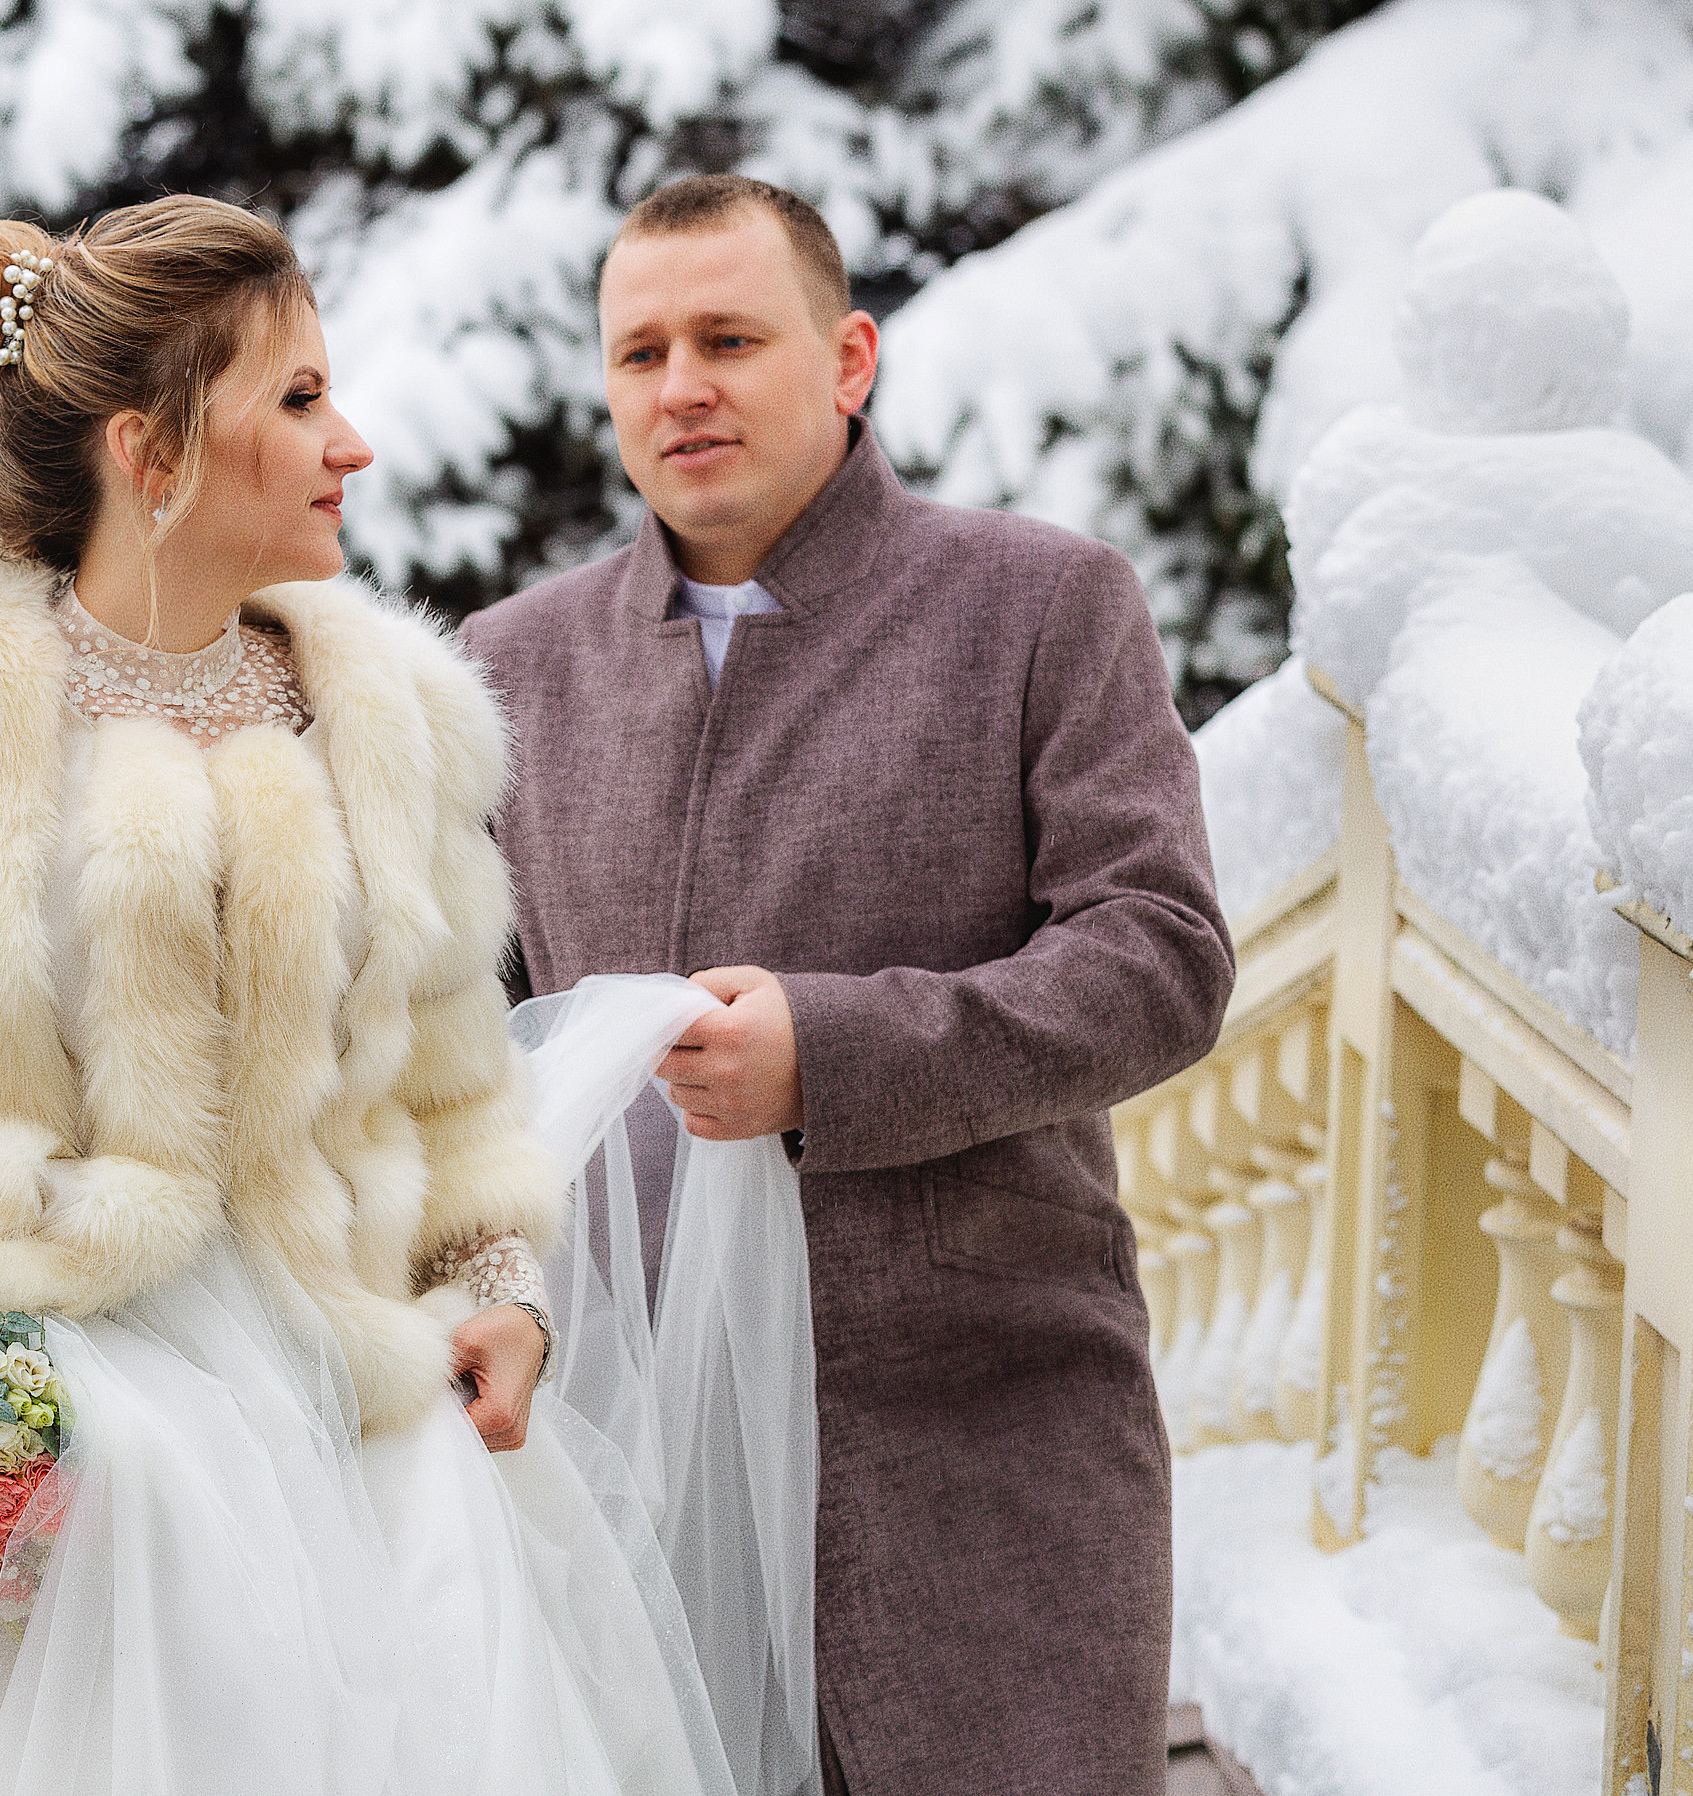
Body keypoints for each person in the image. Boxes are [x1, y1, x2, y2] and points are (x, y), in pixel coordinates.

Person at [0, 194, 735, 1796]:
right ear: (149, 450)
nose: (354, 444)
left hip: (349, 1404)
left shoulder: (393, 720)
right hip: (38, 1423)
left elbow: (451, 1094)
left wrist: (505, 1292)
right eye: (298, 399)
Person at [460, 174, 1237, 1796]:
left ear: (851, 358)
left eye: (730, 339)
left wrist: (839, 1053)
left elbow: (1159, 950)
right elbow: (458, 1045)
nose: (682, 387)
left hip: (983, 1431)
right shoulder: (508, 666)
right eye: (641, 352)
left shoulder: (1042, 602)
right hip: (629, 1464)